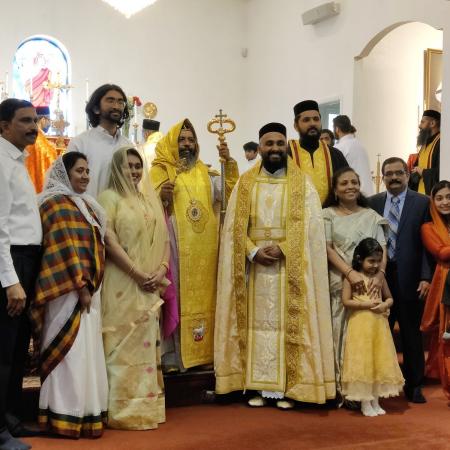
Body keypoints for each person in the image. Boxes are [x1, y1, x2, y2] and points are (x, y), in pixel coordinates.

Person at [215, 122, 335, 409]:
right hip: (253, 269)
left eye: (280, 143)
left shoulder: (302, 183)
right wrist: (253, 251)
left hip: (289, 267)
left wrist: (283, 248)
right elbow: (232, 228)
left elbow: (311, 229)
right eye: (269, 144)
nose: (275, 149)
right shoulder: (245, 183)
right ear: (259, 148)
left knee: (288, 327)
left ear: (286, 146)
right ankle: (257, 386)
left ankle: (288, 388)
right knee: (255, 328)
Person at [150, 119, 239, 371]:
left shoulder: (205, 171)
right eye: (182, 140)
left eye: (191, 140)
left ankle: (204, 353)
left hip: (205, 249)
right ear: (171, 143)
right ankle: (172, 358)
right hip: (176, 247)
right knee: (174, 296)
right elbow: (146, 206)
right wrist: (161, 197)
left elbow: (230, 196)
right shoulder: (159, 171)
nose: (187, 145)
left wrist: (228, 164)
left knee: (206, 299)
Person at [31, 152, 108, 438]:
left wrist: (89, 286)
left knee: (85, 352)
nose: (85, 176)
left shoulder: (86, 205)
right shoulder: (53, 204)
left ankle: (86, 413)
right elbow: (63, 248)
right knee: (68, 355)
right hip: (65, 292)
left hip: (87, 290)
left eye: (88, 171)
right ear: (65, 173)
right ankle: (62, 414)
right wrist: (80, 284)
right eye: (79, 171)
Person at [98, 147, 169, 429]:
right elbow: (109, 240)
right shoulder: (109, 198)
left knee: (145, 345)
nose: (134, 171)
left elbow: (165, 239)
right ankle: (122, 411)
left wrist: (161, 270)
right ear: (117, 168)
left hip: (150, 283)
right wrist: (138, 273)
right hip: (122, 282)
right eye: (128, 166)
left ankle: (147, 407)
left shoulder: (147, 200)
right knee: (120, 347)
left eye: (138, 166)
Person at [368, 157, 432, 403]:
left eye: (398, 173)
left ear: (407, 175)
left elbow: (427, 244)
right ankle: (379, 383)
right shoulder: (373, 203)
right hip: (379, 277)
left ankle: (414, 384)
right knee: (379, 331)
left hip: (411, 277)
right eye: (388, 174)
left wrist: (426, 276)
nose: (393, 178)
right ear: (382, 177)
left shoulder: (422, 203)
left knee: (410, 333)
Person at [322, 167, 387, 400]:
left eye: (354, 182)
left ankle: (361, 390)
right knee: (337, 332)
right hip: (338, 281)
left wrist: (379, 276)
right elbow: (327, 248)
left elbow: (383, 249)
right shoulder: (327, 214)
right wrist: (350, 273)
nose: (350, 186)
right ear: (335, 190)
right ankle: (340, 388)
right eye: (344, 183)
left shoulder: (371, 216)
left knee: (362, 337)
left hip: (369, 285)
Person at [0, 99, 42, 450]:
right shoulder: (1, 162)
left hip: (25, 260)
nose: (34, 126)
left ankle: (11, 420)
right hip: (10, 262)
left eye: (35, 120)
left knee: (16, 349)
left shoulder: (18, 159)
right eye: (25, 121)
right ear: (3, 125)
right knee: (3, 348)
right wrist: (10, 280)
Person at [341, 238, 404, 416]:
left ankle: (375, 399)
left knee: (378, 360)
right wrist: (366, 305)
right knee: (364, 361)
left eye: (378, 261)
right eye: (371, 261)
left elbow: (390, 298)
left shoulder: (379, 279)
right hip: (360, 325)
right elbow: (346, 301)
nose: (375, 265)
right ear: (360, 259)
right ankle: (365, 402)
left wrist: (385, 305)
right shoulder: (351, 277)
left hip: (378, 326)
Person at [67, 84, 131, 197]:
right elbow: (68, 183)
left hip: (121, 212)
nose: (116, 106)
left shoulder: (128, 145)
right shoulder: (80, 143)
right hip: (88, 211)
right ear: (96, 109)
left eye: (120, 102)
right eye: (110, 101)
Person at [420, 180, 450, 402]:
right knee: (447, 334)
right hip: (445, 283)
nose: (445, 202)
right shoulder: (428, 228)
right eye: (439, 198)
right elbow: (441, 253)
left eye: (449, 197)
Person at [289, 100, 348, 204]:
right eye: (306, 120)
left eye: (316, 119)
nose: (312, 123)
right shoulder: (287, 154)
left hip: (330, 218)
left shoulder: (335, 155)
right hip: (296, 218)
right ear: (296, 126)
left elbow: (346, 188)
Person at [333, 115, 373, 196]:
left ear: (337, 129)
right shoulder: (360, 145)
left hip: (351, 194)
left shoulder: (339, 148)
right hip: (368, 194)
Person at [24, 106, 58, 193]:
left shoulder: (28, 138)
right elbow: (52, 166)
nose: (50, 124)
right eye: (49, 120)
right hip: (40, 191)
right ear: (43, 119)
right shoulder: (42, 143)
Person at [410, 109, 440, 195]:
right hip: (420, 195)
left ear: (432, 123)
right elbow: (416, 168)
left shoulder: (441, 143)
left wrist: (423, 172)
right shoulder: (424, 145)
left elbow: (443, 171)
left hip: (435, 197)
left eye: (422, 122)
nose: (419, 126)